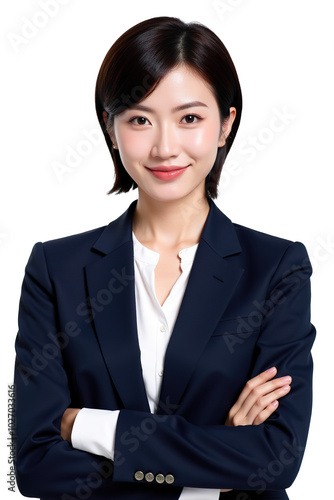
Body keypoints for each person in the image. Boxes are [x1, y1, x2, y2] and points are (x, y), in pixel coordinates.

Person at [14, 16, 315, 500]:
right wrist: (218, 456)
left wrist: (90, 426)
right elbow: (33, 465)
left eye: (190, 118)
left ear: (226, 125)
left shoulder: (277, 269)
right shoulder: (57, 269)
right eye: (139, 119)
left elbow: (276, 459)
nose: (164, 146)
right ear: (111, 129)